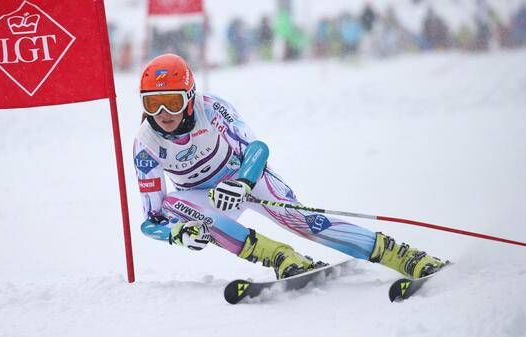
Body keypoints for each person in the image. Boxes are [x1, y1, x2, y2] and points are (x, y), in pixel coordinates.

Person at [133, 53, 445, 280]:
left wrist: (242, 182)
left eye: (172, 102)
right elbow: (152, 219)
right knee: (177, 206)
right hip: (205, 198)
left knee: (302, 221)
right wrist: (176, 233)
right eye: (152, 103)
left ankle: (400, 255)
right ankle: (280, 256)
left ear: (189, 98)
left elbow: (256, 148)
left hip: (244, 179)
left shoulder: (211, 108)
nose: (163, 113)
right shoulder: (146, 144)